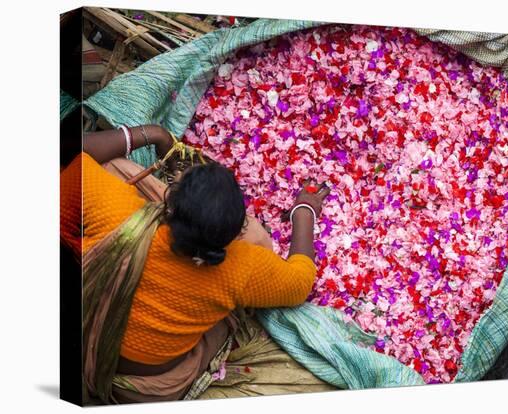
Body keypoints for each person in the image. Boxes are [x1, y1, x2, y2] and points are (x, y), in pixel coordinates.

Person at [60, 124, 330, 404]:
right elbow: (300, 283)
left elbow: (71, 149)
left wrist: (155, 134)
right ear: (234, 235)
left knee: (114, 166)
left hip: (86, 342)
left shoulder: (115, 212)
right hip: (147, 389)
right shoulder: (240, 268)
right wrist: (305, 212)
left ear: (169, 204)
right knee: (258, 237)